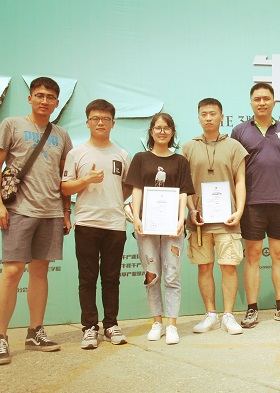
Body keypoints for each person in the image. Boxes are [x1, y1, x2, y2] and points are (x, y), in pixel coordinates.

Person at [0, 77, 71, 365]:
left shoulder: (62, 135)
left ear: (57, 103)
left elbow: (64, 177)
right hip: (19, 211)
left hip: (51, 212)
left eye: (50, 97)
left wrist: (66, 211)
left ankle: (35, 332)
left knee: (39, 272)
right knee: (12, 272)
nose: (44, 100)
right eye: (39, 95)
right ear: (30, 98)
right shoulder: (11, 125)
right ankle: (0, 337)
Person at [61, 99, 132, 349]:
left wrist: (113, 200)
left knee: (111, 278)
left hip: (115, 224)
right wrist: (86, 181)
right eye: (95, 118)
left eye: (105, 119)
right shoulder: (76, 153)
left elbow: (127, 187)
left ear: (113, 123)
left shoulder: (122, 154)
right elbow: (65, 188)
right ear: (87, 122)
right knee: (88, 277)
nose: (100, 123)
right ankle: (90, 327)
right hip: (87, 223)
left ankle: (111, 324)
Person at [231, 82, 280, 328]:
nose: (262, 103)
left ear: (274, 101)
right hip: (252, 203)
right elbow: (235, 171)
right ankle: (252, 309)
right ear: (251, 102)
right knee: (252, 255)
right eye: (257, 99)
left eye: (266, 98)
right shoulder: (240, 131)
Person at [125, 113, 194, 344]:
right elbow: (137, 189)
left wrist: (181, 219)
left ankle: (172, 324)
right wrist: (136, 217)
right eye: (158, 128)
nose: (162, 132)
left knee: (172, 275)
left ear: (172, 132)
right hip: (147, 226)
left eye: (166, 128)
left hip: (173, 226)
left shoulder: (180, 161)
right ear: (151, 131)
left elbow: (183, 192)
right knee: (152, 275)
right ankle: (157, 322)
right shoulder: (141, 158)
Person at [183, 98, 248, 335]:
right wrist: (191, 210)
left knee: (229, 267)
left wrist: (239, 211)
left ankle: (228, 316)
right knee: (204, 267)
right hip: (199, 221)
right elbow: (184, 185)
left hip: (227, 220)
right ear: (198, 117)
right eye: (204, 114)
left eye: (213, 113)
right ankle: (210, 314)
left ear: (222, 117)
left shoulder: (234, 146)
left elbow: (240, 181)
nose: (208, 118)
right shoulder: (188, 147)